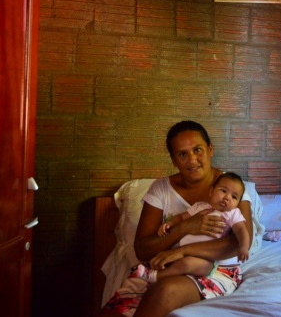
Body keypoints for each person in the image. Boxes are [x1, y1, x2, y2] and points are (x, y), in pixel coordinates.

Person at [99, 120, 254, 317]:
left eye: (197, 150)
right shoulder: (161, 189)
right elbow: (142, 249)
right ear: (173, 160)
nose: (192, 160)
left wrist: (181, 251)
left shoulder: (232, 188)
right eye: (182, 154)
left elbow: (239, 242)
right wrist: (185, 227)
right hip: (167, 265)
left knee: (165, 291)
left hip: (214, 269)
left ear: (210, 149)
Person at [130, 171, 250, 283]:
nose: (227, 197)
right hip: (179, 251)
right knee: (165, 259)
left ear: (237, 203)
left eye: (234, 197)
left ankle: (155, 277)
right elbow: (181, 218)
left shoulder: (232, 214)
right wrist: (169, 223)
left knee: (186, 264)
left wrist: (243, 247)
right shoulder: (200, 206)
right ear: (211, 191)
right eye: (223, 191)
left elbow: (241, 230)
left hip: (206, 259)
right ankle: (149, 271)